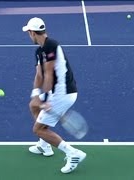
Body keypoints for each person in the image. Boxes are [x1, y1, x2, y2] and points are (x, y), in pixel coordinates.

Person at [22, 17, 87, 174]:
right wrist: (36, 95)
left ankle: (73, 153)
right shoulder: (39, 51)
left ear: (32, 32)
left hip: (63, 93)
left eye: (28, 32)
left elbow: (49, 74)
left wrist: (46, 98)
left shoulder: (51, 45)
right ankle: (45, 145)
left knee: (38, 129)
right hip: (56, 92)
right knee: (33, 105)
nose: (28, 35)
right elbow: (39, 75)